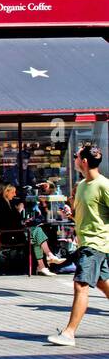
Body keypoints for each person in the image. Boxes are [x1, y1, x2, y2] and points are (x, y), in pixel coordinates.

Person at [51, 145, 109, 346]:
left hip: (95, 244)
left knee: (81, 285)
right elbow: (85, 215)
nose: (74, 158)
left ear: (83, 161)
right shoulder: (83, 185)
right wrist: (71, 214)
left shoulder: (103, 185)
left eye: (76, 156)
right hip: (87, 242)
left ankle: (68, 333)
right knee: (103, 284)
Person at [0, 182, 66, 276]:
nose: (15, 194)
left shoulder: (3, 203)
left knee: (37, 235)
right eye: (13, 192)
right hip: (10, 235)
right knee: (37, 232)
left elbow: (12, 221)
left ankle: (43, 265)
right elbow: (12, 222)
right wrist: (19, 210)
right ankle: (48, 258)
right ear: (6, 192)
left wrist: (24, 221)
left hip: (11, 233)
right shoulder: (2, 204)